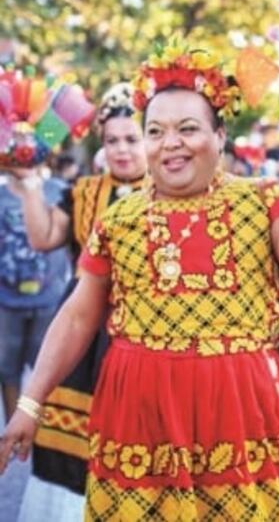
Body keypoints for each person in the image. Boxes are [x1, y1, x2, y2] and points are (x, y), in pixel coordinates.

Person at [0, 41, 279, 520]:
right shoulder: (119, 217)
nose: (170, 143)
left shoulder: (260, 199)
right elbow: (78, 316)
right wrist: (30, 402)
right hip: (140, 416)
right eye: (156, 131)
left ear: (220, 134)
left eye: (188, 129)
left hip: (243, 412)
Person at [6, 82, 148, 519]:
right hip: (83, 333)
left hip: (143, 330)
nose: (122, 150)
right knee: (70, 447)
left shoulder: (171, 190)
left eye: (132, 139)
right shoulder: (84, 191)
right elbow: (43, 237)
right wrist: (29, 186)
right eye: (112, 141)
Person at [0, 168, 71, 420]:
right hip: (6, 303)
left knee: (48, 367)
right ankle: (12, 430)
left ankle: (43, 429)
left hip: (50, 301)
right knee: (7, 367)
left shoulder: (60, 191)